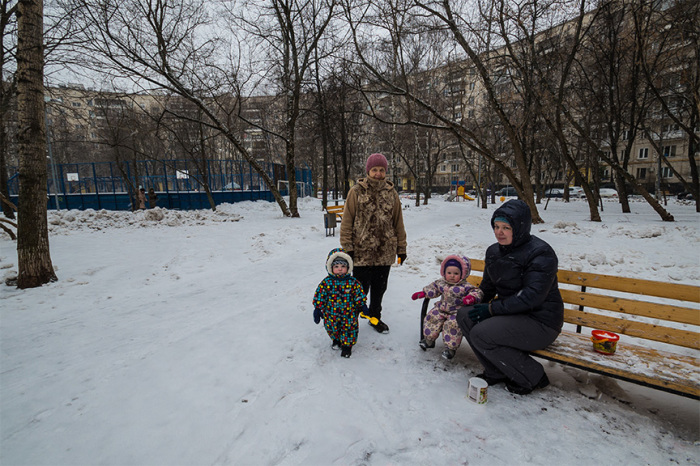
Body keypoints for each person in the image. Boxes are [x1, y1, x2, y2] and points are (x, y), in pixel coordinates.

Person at [456, 199, 563, 395]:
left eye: (506, 227)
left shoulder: (540, 253)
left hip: (541, 321)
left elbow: (532, 296)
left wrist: (491, 310)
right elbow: (487, 288)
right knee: (465, 315)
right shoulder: (494, 252)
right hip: (511, 314)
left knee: (482, 333)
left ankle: (533, 375)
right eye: (496, 226)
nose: (499, 232)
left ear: (520, 228)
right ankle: (496, 371)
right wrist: (472, 299)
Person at [340, 153, 407, 334]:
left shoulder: (392, 193)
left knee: (379, 289)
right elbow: (347, 221)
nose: (378, 173)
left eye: (381, 170)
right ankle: (350, 321)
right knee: (359, 290)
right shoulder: (356, 191)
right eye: (375, 170)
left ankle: (374, 317)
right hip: (361, 251)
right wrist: (348, 247)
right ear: (368, 170)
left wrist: (401, 248)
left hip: (385, 251)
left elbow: (398, 222)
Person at [411, 255, 483, 360]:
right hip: (441, 309)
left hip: (456, 312)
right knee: (432, 318)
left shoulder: (465, 286)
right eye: (449, 273)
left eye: (456, 273)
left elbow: (477, 292)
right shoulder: (441, 283)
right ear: (444, 272)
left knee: (452, 326)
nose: (452, 276)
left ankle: (450, 349)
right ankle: (429, 340)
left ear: (463, 274)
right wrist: (423, 293)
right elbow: (434, 288)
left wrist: (471, 298)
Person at [312, 248, 368, 358]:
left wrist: (362, 305)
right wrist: (317, 309)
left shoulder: (353, 282)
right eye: (336, 267)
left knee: (349, 329)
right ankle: (336, 340)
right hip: (331, 313)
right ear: (331, 268)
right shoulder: (326, 282)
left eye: (343, 266)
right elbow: (320, 295)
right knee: (332, 328)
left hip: (349, 314)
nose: (340, 269)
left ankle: (347, 346)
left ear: (348, 267)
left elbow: (359, 294)